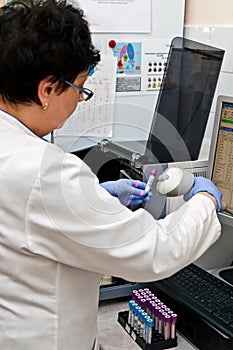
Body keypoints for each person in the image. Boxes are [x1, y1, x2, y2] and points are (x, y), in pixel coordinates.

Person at [0, 1, 222, 349]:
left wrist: (98, 196)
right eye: (80, 88)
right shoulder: (45, 171)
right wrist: (206, 201)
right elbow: (155, 251)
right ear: (47, 90)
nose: (80, 101)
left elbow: (28, 222)